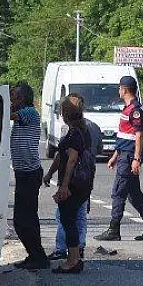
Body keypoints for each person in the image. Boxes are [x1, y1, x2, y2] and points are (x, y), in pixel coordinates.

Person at [0, 81, 48, 269]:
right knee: (22, 219)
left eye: (14, 96)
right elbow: (2, 127)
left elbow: (6, 115)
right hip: (23, 173)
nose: (11, 100)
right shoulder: (21, 115)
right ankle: (34, 255)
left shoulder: (29, 113)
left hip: (30, 174)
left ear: (22, 98)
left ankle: (38, 256)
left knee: (25, 219)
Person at [95, 75, 143, 241]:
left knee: (118, 193)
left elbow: (138, 135)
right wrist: (115, 156)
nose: (118, 90)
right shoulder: (128, 108)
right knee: (134, 195)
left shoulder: (135, 110)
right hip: (124, 155)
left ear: (124, 89)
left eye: (119, 88)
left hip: (129, 157)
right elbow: (125, 136)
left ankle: (113, 230)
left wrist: (136, 159)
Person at [44, 93, 101, 260]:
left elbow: (71, 159)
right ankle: (75, 255)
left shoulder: (75, 133)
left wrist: (64, 186)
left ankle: (72, 258)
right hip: (84, 182)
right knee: (75, 218)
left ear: (65, 113)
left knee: (68, 219)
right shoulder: (84, 129)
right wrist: (50, 173)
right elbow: (62, 155)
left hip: (74, 184)